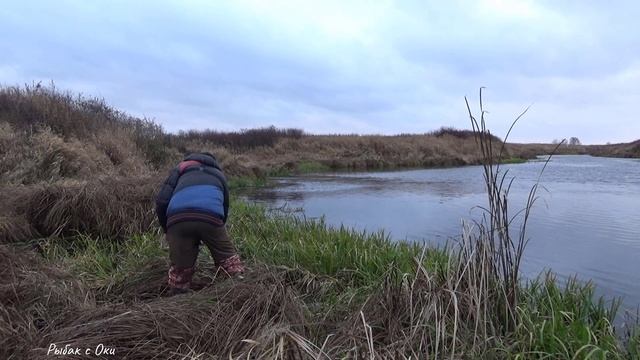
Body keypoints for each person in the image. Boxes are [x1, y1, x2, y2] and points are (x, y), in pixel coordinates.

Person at [155, 152, 244, 295]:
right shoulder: (218, 173)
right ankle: (239, 292)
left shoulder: (181, 168)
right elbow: (225, 206)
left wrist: (168, 229)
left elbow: (162, 201)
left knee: (180, 269)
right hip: (211, 217)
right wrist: (217, 228)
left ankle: (177, 299)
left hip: (178, 219)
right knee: (228, 262)